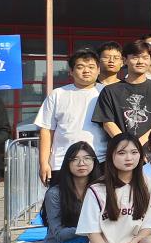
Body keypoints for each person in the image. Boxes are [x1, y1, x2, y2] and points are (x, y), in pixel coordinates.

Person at [36, 49, 107, 186]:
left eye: (91, 67)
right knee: (62, 199)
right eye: (80, 67)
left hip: (100, 160)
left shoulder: (106, 92)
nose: (86, 71)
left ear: (98, 70)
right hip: (62, 161)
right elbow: (46, 130)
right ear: (71, 71)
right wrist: (44, 163)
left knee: (97, 199)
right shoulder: (57, 94)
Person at [40, 142, 100, 243]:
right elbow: (59, 234)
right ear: (67, 163)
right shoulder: (55, 193)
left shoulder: (100, 190)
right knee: (85, 240)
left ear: (94, 161)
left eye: (87, 158)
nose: (82, 163)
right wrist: (90, 231)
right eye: (75, 159)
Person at [93, 40, 151, 146]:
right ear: (125, 60)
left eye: (145, 57)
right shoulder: (110, 91)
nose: (140, 61)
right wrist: (127, 144)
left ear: (150, 60)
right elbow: (107, 123)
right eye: (135, 57)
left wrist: (139, 143)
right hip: (120, 149)